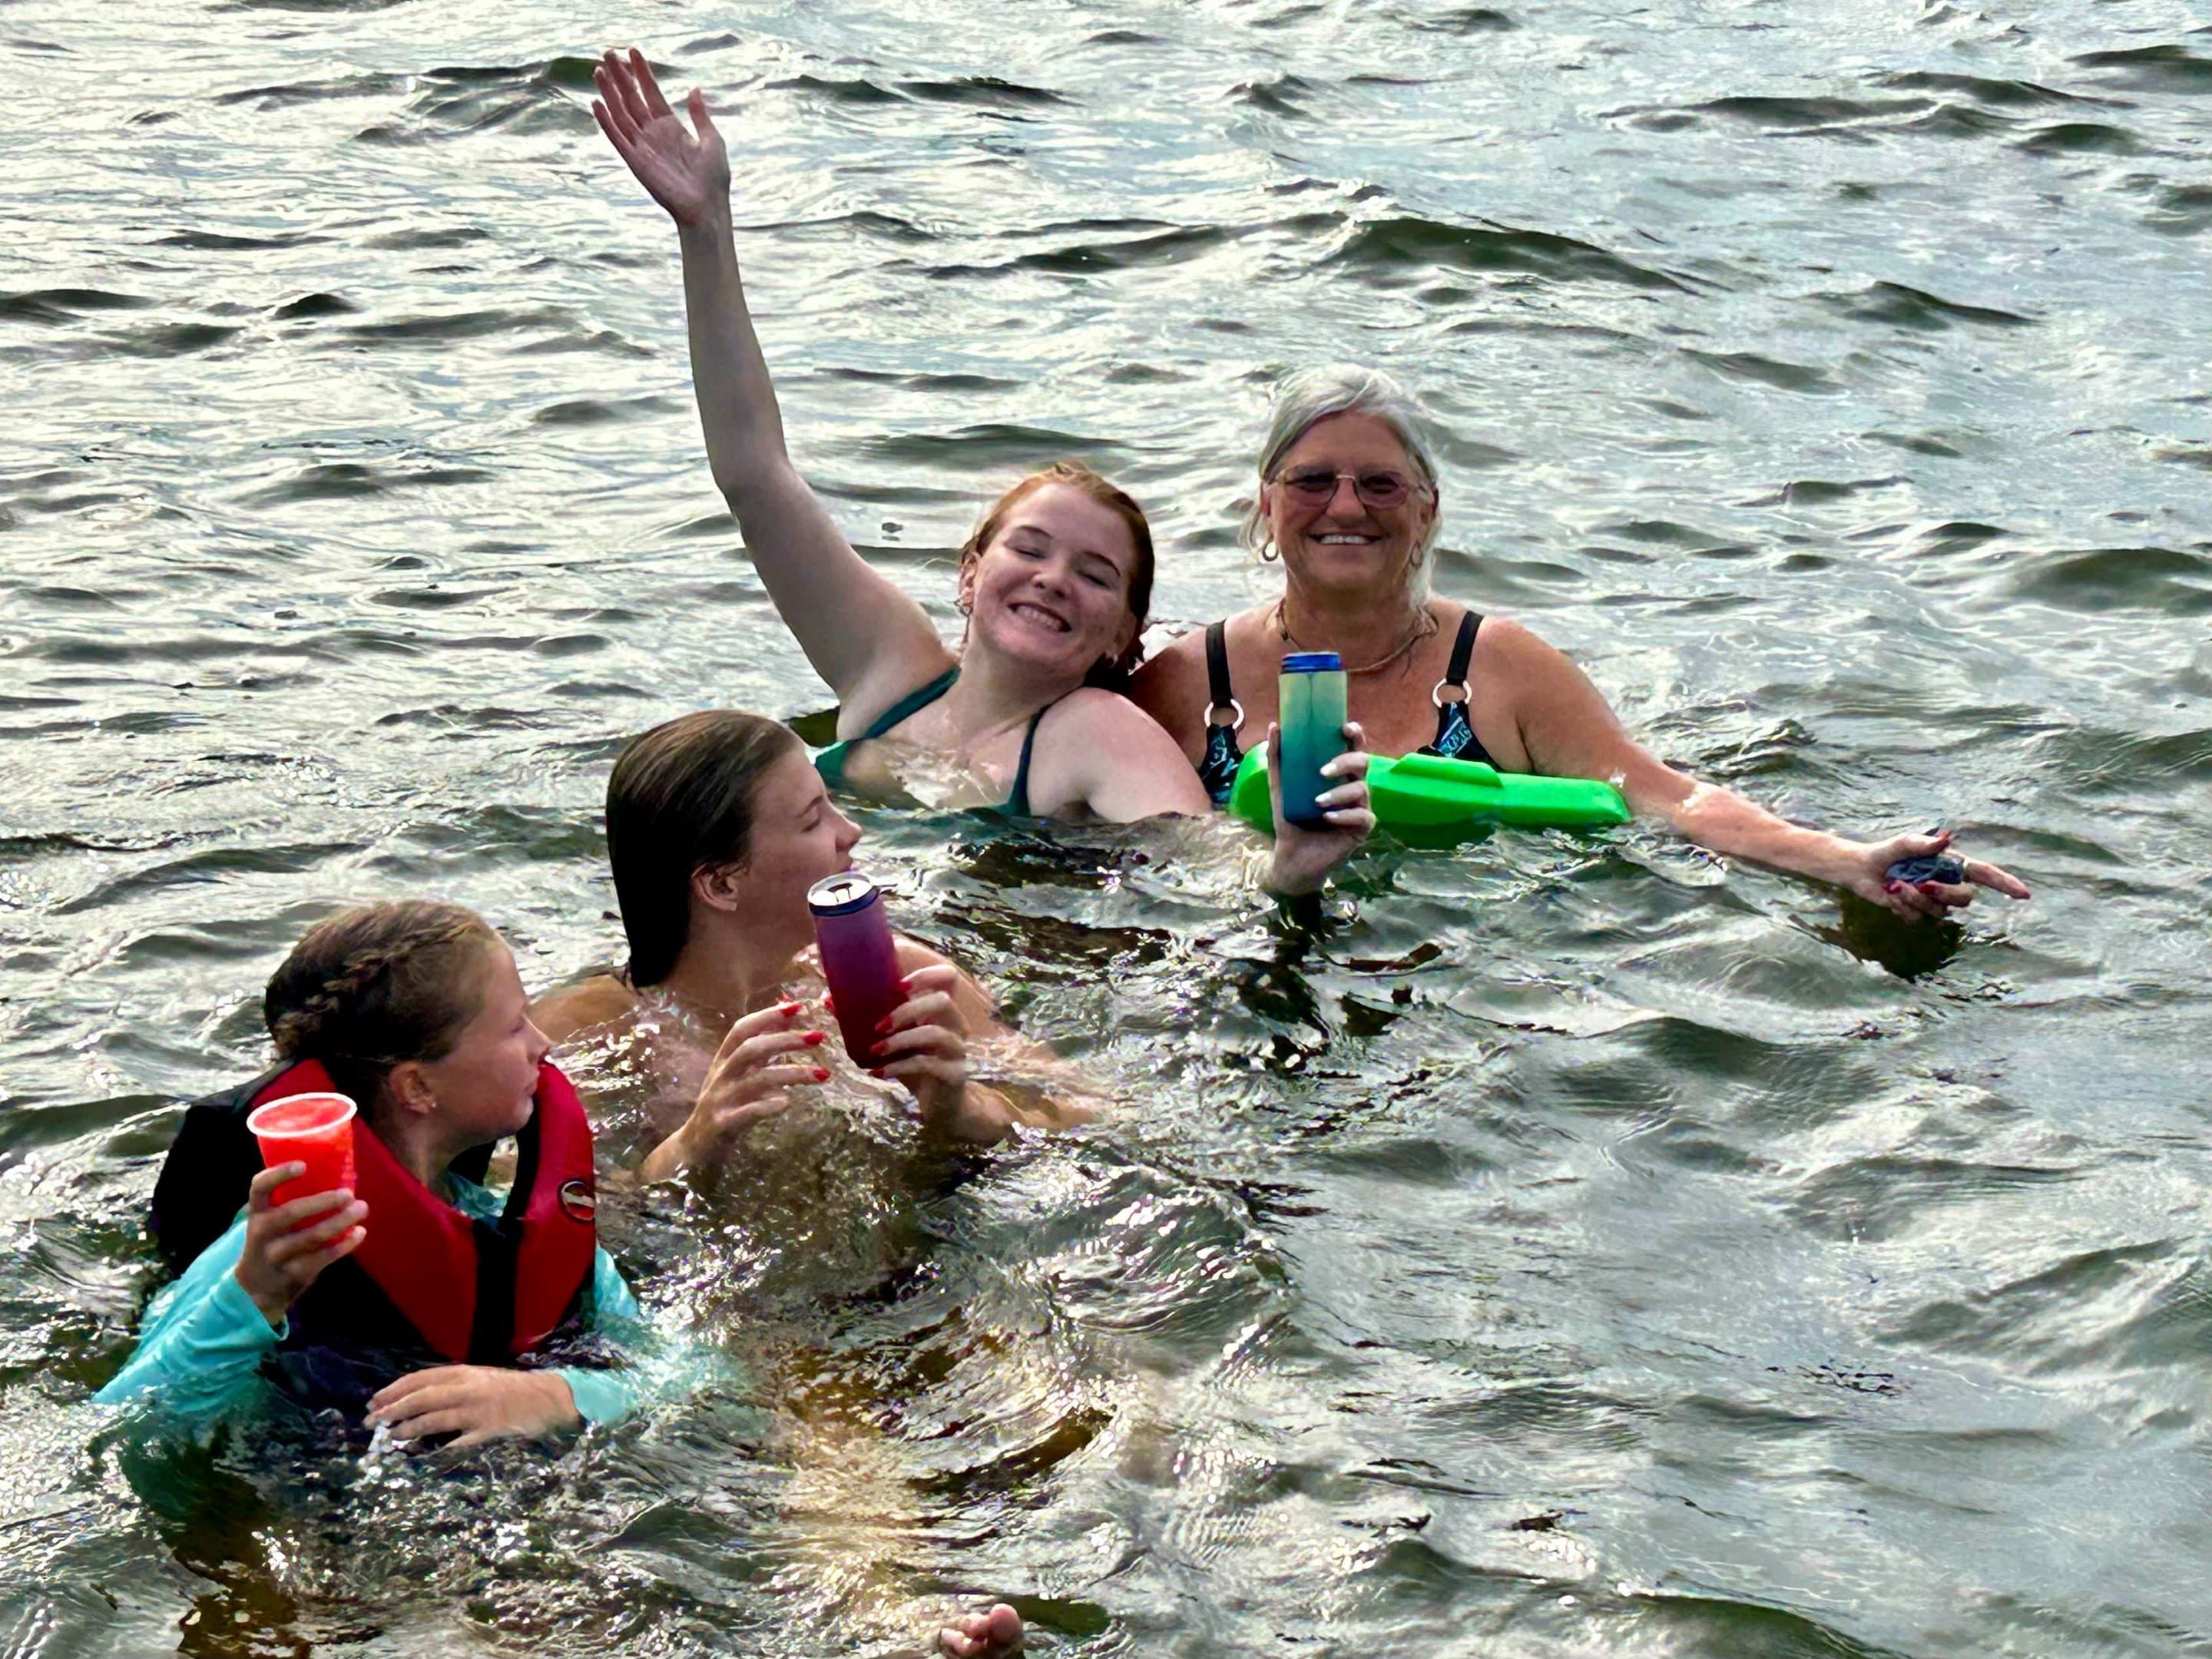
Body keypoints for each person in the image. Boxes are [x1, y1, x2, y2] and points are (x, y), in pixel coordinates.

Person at [1129, 363, 2034, 921]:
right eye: (1313, 480)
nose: (1346, 507)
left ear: (1428, 509)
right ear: (1266, 505)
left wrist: (1846, 864)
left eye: (1381, 484)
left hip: (1447, 984)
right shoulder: (1183, 681)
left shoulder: (1503, 668)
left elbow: (1666, 802)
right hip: (1245, 966)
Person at [590, 50, 1200, 826]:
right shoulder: (891, 669)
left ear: (1122, 634)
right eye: (1031, 548)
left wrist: (1288, 862)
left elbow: (1205, 868)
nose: (1052, 579)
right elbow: (754, 475)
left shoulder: (1100, 735)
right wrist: (706, 233)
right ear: (971, 573)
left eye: (1095, 574)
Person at [98, 901, 670, 1443]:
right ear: (417, 1087)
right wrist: (254, 1296)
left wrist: (551, 1397)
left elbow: (686, 1379)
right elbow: (122, 1421)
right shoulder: (287, 1245)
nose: (542, 1044)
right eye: (516, 1025)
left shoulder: (513, 1225)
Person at [531, 709, 1088, 1172]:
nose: (851, 832)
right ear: (722, 883)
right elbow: (514, 1220)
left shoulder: (899, 977)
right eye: (811, 820)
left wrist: (963, 1108)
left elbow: (1099, 1116)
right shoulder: (577, 1036)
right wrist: (688, 1149)